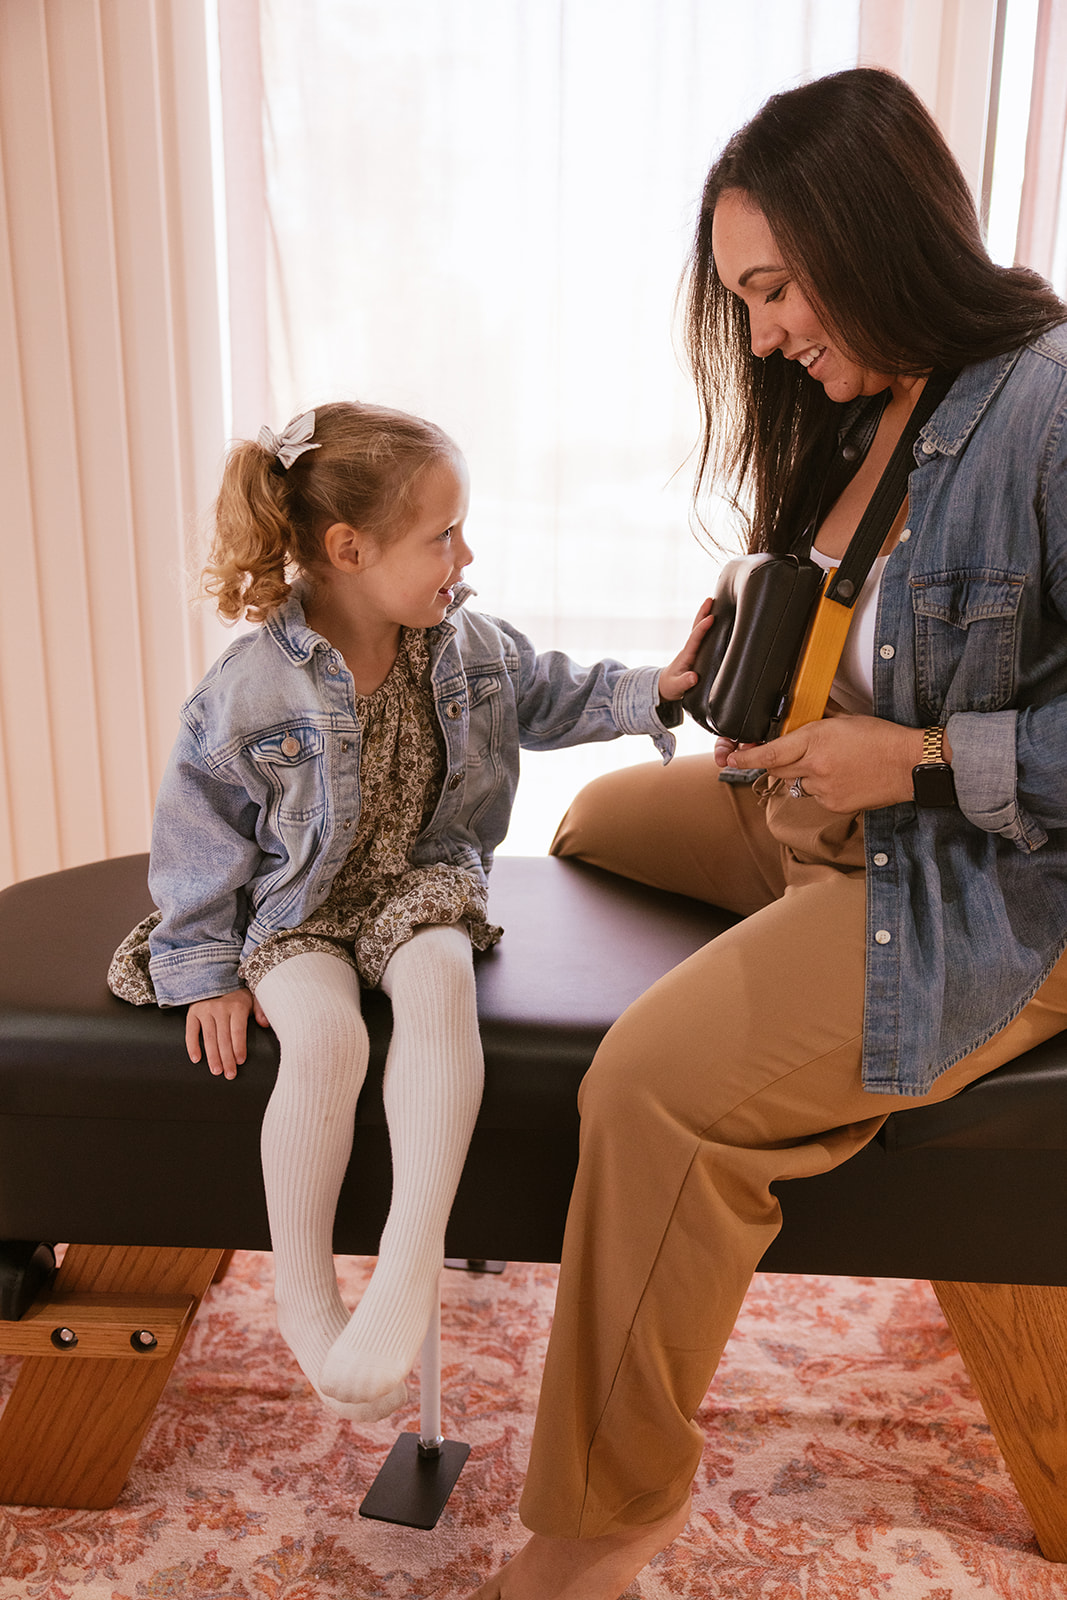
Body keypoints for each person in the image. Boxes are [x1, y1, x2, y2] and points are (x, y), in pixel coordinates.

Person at [466, 66, 1067, 1599]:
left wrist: (922, 757)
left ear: (874, 235)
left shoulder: (1049, 407)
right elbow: (871, 633)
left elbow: (949, 728)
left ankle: (604, 1521)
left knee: (655, 1084)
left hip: (983, 883)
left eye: (774, 288)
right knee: (598, 813)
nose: (760, 335)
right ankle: (783, 942)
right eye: (741, 298)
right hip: (822, 813)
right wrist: (741, 651)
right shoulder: (879, 403)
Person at [108, 400, 706, 1423]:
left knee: (437, 987)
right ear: (348, 549)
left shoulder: (465, 643)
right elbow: (196, 835)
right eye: (441, 534)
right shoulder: (249, 689)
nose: (463, 553)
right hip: (298, 908)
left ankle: (405, 1256)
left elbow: (550, 692)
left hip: (420, 881)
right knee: (326, 1041)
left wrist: (659, 687)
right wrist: (203, 969)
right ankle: (306, 1294)